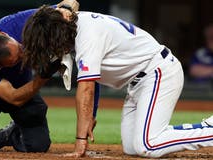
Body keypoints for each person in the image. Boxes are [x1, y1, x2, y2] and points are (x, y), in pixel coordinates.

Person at [21, 6, 213, 158]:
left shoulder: (87, 35)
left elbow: (86, 87)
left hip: (158, 72)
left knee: (148, 145)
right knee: (132, 147)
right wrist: (90, 116)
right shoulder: (75, 25)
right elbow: (91, 81)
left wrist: (80, 142)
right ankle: (200, 127)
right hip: (138, 82)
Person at [0, 1, 79, 152]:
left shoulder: (21, 23)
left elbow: (71, 2)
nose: (23, 54)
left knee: (38, 146)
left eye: (20, 49)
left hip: (22, 83)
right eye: (18, 59)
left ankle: (10, 134)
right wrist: (44, 76)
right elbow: (13, 97)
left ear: (6, 35)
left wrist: (65, 10)